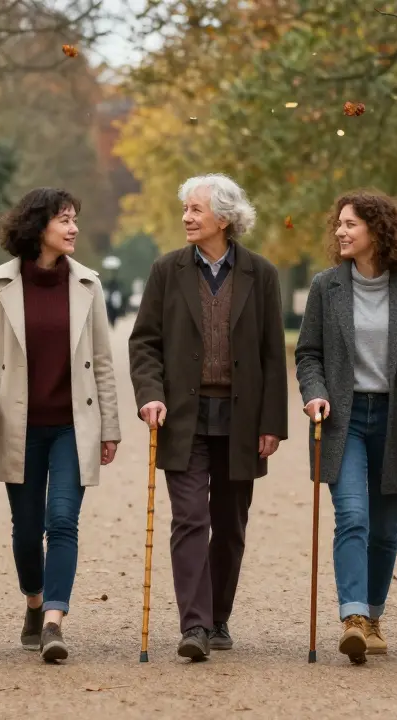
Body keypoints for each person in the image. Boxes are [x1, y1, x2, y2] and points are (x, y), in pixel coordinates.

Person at [128, 173, 288, 660]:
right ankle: (193, 625)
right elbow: (145, 343)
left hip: (241, 421)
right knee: (191, 519)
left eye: (196, 210)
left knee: (230, 524)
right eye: (186, 210)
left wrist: (271, 423)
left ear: (223, 218)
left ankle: (218, 617)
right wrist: (150, 395)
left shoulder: (261, 274)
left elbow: (270, 354)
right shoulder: (166, 270)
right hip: (184, 417)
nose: (187, 218)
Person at [0, 188, 121, 662]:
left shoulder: (87, 285)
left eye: (74, 219)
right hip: (20, 426)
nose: (73, 228)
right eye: (64, 220)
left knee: (62, 521)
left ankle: (54, 620)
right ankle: (33, 601)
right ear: (38, 227)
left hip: (73, 426)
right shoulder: (0, 285)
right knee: (26, 526)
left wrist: (109, 426)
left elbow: (102, 361)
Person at [294, 189, 397, 664]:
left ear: (377, 231)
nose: (340, 230)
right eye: (339, 223)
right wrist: (315, 393)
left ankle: (374, 615)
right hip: (344, 418)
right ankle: (353, 617)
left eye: (350, 224)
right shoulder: (326, 287)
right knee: (352, 515)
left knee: (384, 528)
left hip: (396, 420)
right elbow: (309, 352)